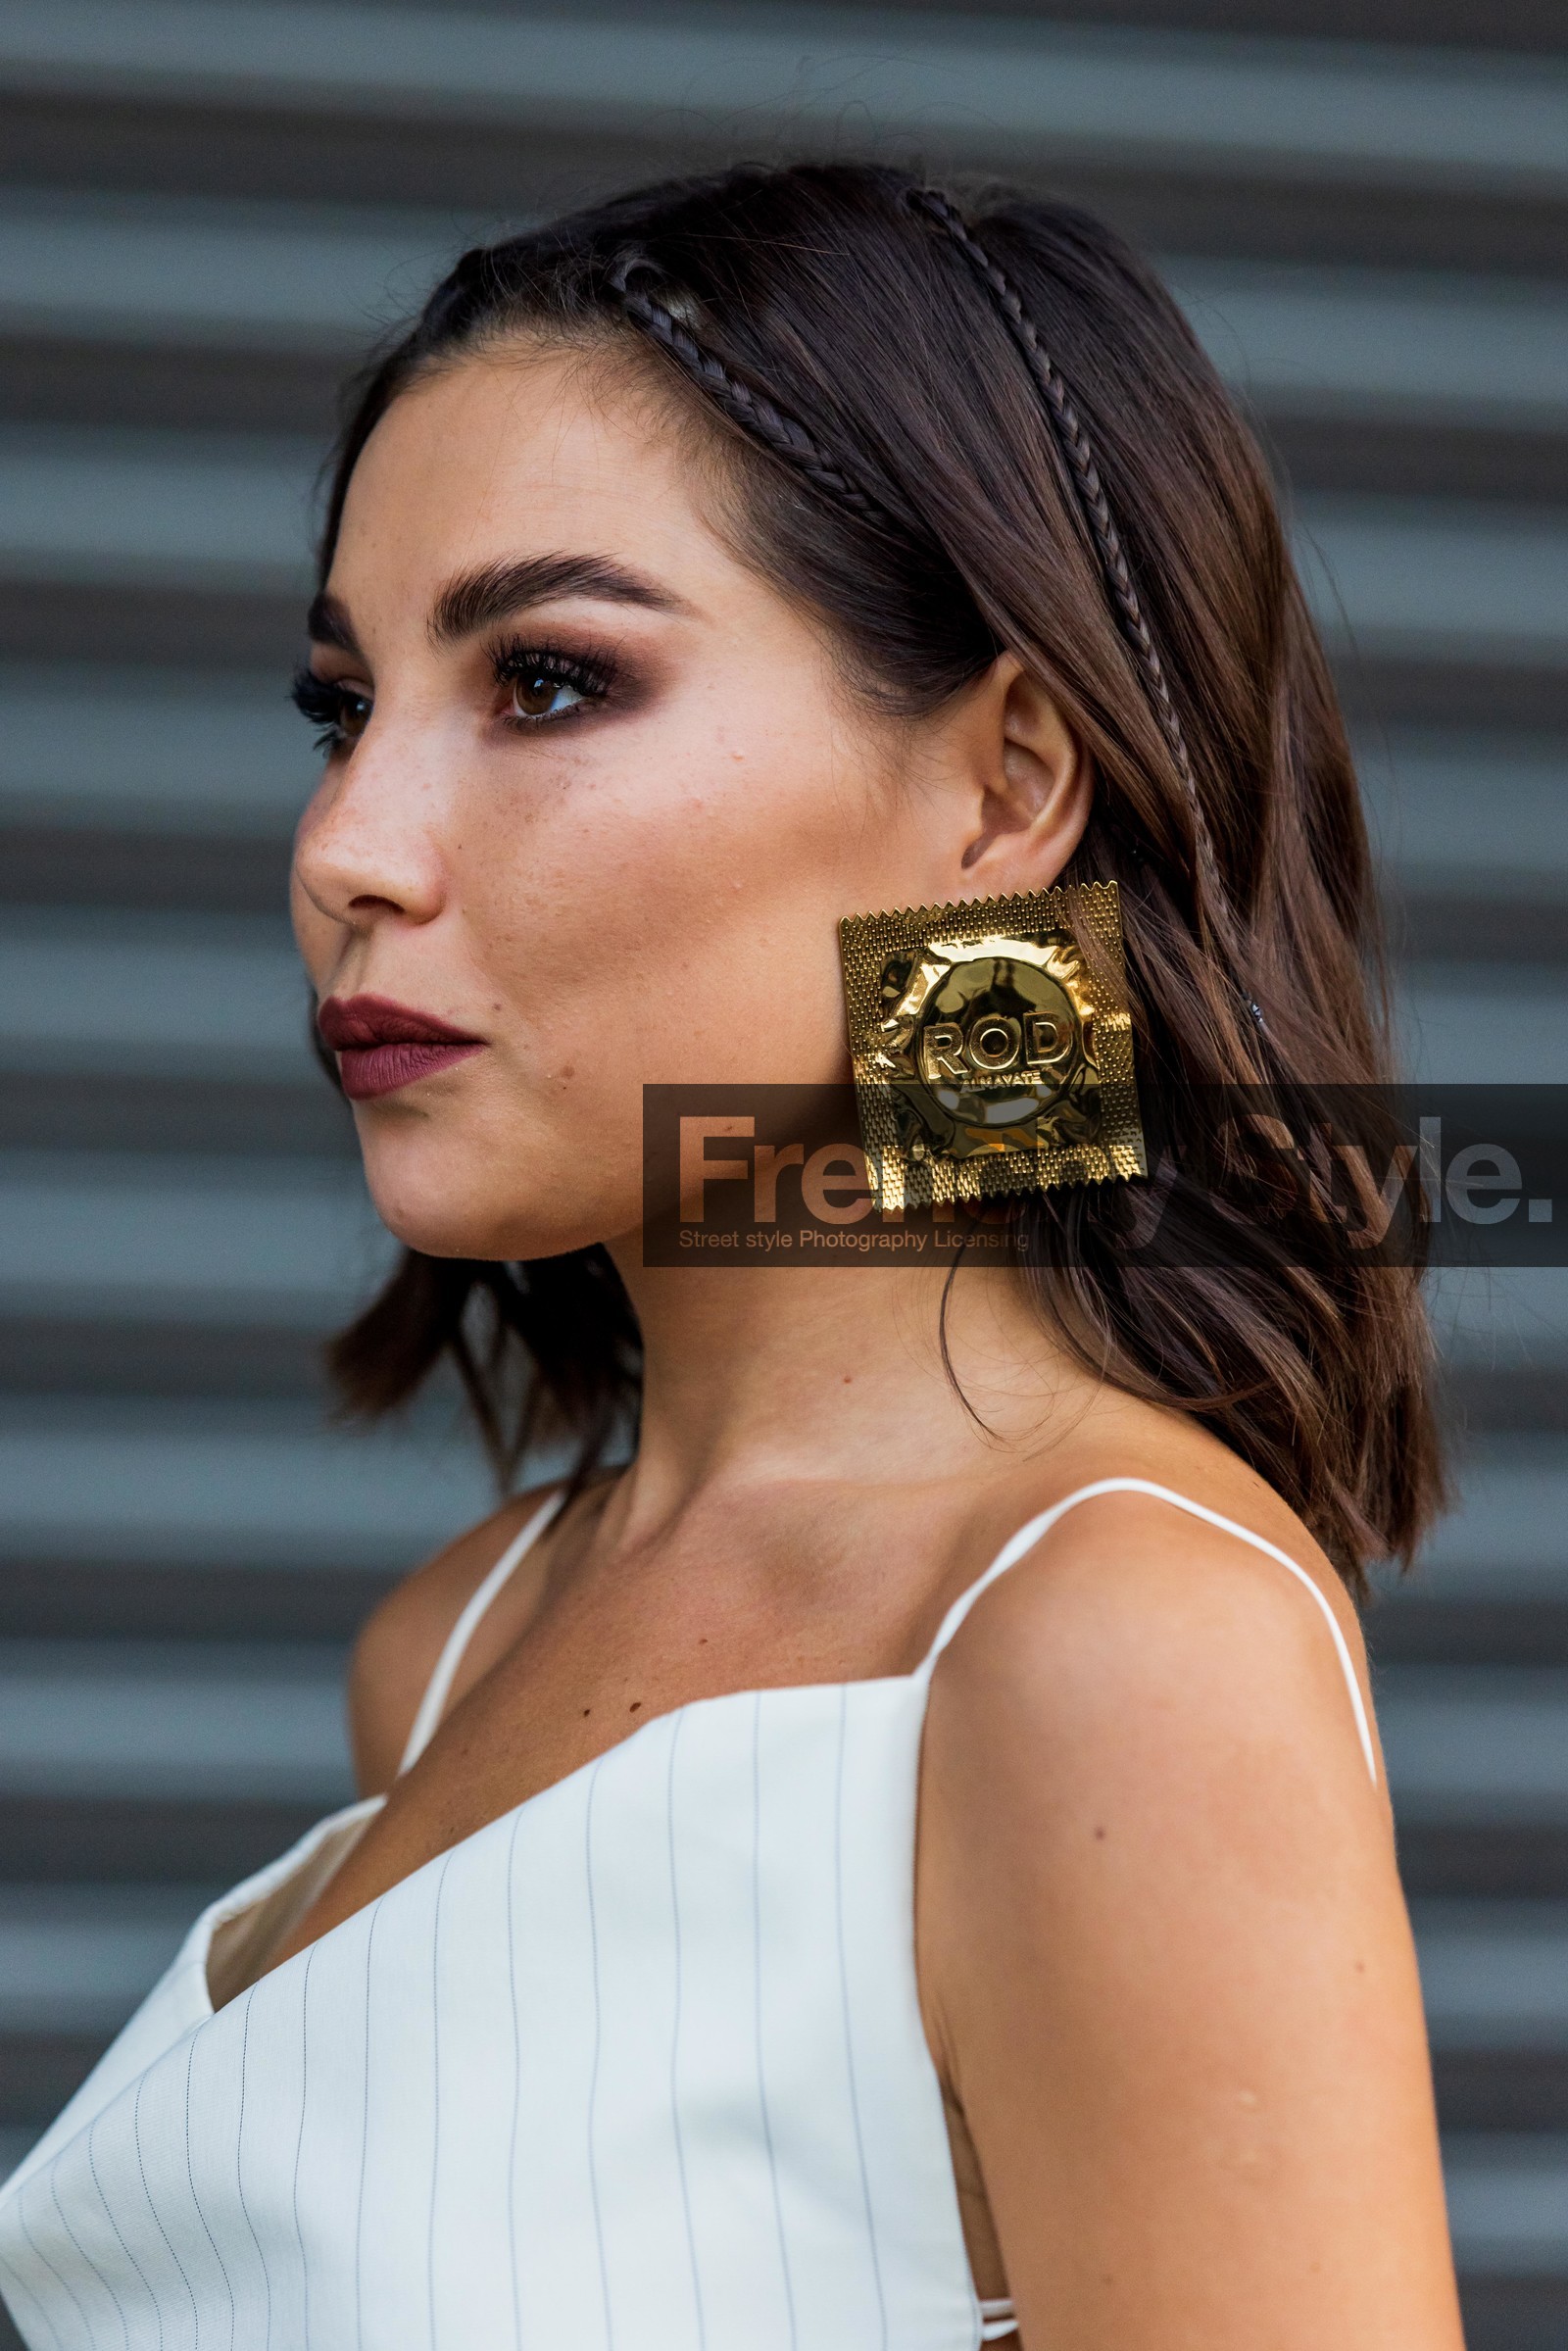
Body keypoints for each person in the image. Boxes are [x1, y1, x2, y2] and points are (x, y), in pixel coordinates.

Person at [0, 163, 1463, 2349]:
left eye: (552, 683)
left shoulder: (1107, 1653)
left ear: (1000, 794)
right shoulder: (460, 1638)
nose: (344, 847)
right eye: (342, 706)